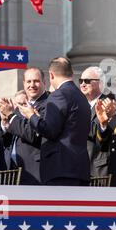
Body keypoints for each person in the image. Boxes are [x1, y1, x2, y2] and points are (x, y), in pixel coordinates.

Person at [18, 57, 91, 186]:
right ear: (71, 73)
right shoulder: (81, 96)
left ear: (51, 75)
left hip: (61, 168)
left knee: (60, 207)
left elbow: (50, 131)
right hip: (80, 168)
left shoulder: (58, 95)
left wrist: (31, 116)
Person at [0, 68, 49, 185]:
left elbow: (31, 135)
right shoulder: (21, 106)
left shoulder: (48, 105)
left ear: (44, 83)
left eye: (36, 81)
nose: (32, 85)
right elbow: (5, 141)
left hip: (35, 170)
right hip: (14, 170)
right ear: (24, 84)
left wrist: (10, 115)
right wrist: (5, 122)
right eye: (28, 82)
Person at [80, 66, 114, 178]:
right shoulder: (80, 104)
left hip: (97, 166)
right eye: (81, 81)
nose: (83, 84)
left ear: (100, 83)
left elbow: (98, 132)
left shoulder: (107, 103)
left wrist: (73, 124)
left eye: (87, 81)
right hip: (80, 165)